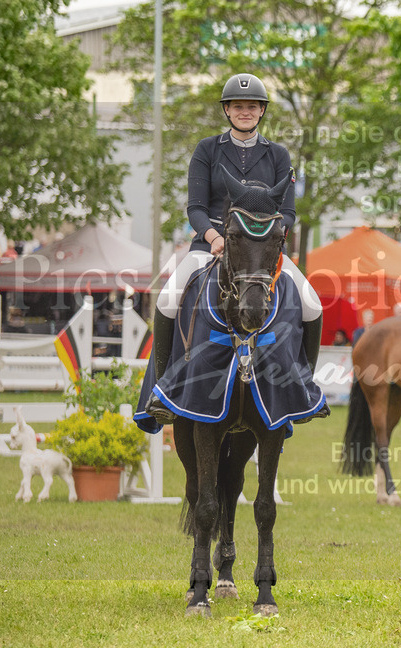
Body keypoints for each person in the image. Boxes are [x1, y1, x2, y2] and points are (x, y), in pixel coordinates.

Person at [145, 73, 323, 424]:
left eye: (252, 106)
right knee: (167, 300)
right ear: (227, 110)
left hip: (261, 251)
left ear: (261, 112)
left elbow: (287, 212)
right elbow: (195, 207)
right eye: (238, 106)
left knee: (312, 305)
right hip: (210, 246)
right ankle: (164, 388)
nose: (245, 111)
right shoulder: (207, 149)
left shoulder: (279, 154)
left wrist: (267, 239)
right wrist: (215, 238)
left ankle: (302, 385)